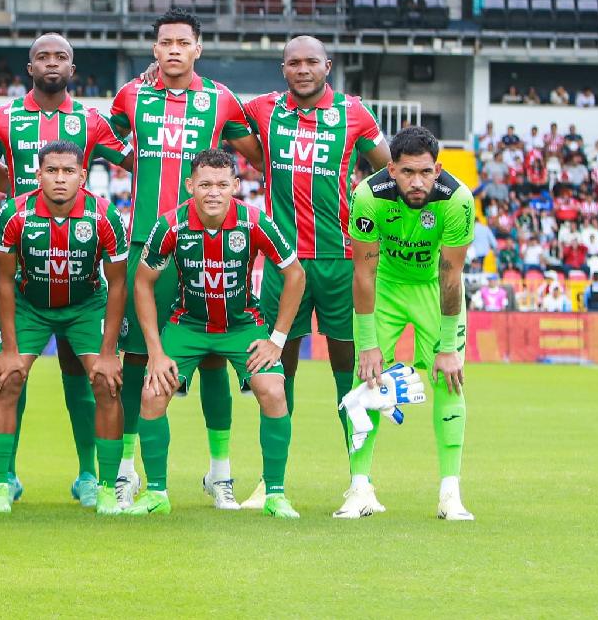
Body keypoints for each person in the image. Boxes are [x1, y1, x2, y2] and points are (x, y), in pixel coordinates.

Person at [0, 33, 130, 505]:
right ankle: (4, 479)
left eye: (61, 57)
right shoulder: (4, 117)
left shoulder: (92, 121)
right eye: (42, 57)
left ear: (73, 69)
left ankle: (90, 477)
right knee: (11, 375)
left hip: (81, 275)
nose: (51, 63)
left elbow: (138, 160)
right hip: (28, 261)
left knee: (89, 379)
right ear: (28, 67)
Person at [108, 7, 264, 509]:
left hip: (205, 247)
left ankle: (219, 475)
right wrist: (142, 165)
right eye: (165, 42)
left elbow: (259, 154)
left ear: (198, 47)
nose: (173, 49)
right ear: (154, 50)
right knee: (138, 361)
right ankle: (127, 472)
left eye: (183, 42)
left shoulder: (221, 100)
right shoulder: (131, 95)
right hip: (144, 249)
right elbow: (104, 140)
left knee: (214, 357)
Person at [239, 36, 390, 509]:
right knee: (275, 373)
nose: (303, 69)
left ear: (328, 65)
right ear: (282, 68)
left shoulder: (355, 113)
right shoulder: (263, 110)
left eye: (311, 62)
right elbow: (224, 125)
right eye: (293, 63)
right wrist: (153, 79)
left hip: (342, 261)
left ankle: (361, 481)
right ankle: (271, 483)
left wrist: (373, 236)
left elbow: (389, 173)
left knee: (352, 373)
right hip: (284, 263)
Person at [125, 148, 304, 518]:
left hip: (241, 326)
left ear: (236, 186)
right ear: (190, 185)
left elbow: (295, 274)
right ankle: (157, 492)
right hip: (187, 325)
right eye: (204, 183)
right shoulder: (170, 225)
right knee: (152, 391)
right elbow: (142, 284)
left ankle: (275, 493)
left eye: (222, 184)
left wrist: (278, 340)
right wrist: (155, 352)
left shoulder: (254, 222)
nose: (213, 192)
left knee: (273, 390)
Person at [0, 141, 129, 514]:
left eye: (68, 172)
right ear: (38, 175)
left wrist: (110, 353)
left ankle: (102, 485)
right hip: (30, 304)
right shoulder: (14, 214)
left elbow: (118, 284)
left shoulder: (104, 216)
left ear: (83, 176)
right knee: (8, 378)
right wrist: (10, 348)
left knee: (106, 382)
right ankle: (2, 483)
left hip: (85, 305)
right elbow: (2, 282)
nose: (60, 179)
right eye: (52, 171)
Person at [343, 126, 475, 521]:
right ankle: (359, 487)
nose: (416, 183)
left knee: (450, 379)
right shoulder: (368, 196)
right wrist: (367, 343)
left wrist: (448, 347)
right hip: (385, 287)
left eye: (425, 172)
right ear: (391, 168)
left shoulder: (458, 201)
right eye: (406, 173)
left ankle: (450, 493)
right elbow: (363, 274)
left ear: (437, 168)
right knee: (365, 380)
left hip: (434, 289)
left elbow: (451, 276)